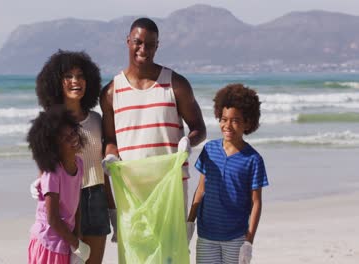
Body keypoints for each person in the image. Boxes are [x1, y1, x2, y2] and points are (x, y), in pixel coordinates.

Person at [100, 17, 206, 242]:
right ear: (128, 41)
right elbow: (110, 139)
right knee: (137, 254)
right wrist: (110, 155)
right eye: (138, 42)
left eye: (150, 44)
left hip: (170, 188)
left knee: (169, 254)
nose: (143, 49)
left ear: (157, 46)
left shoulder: (176, 84)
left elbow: (199, 129)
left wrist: (188, 141)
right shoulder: (111, 92)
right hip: (131, 190)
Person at [30, 50, 117, 264]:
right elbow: (47, 163)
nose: (75, 81)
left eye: (80, 76)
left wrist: (113, 209)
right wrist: (39, 182)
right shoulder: (51, 123)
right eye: (68, 76)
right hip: (66, 203)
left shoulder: (97, 120)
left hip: (96, 198)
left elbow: (101, 167)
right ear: (56, 83)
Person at [187, 84, 269, 264]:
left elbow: (256, 202)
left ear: (248, 122)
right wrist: (189, 222)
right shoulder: (209, 149)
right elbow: (200, 189)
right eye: (224, 119)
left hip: (236, 237)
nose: (227, 125)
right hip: (206, 234)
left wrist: (249, 241)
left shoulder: (253, 159)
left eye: (235, 120)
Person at [26, 106, 90, 264]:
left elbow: (76, 206)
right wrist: (76, 244)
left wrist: (77, 238)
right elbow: (53, 218)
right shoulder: (53, 173)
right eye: (65, 138)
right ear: (54, 147)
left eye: (73, 133)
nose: (73, 139)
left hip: (64, 240)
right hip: (48, 242)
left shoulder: (79, 164)